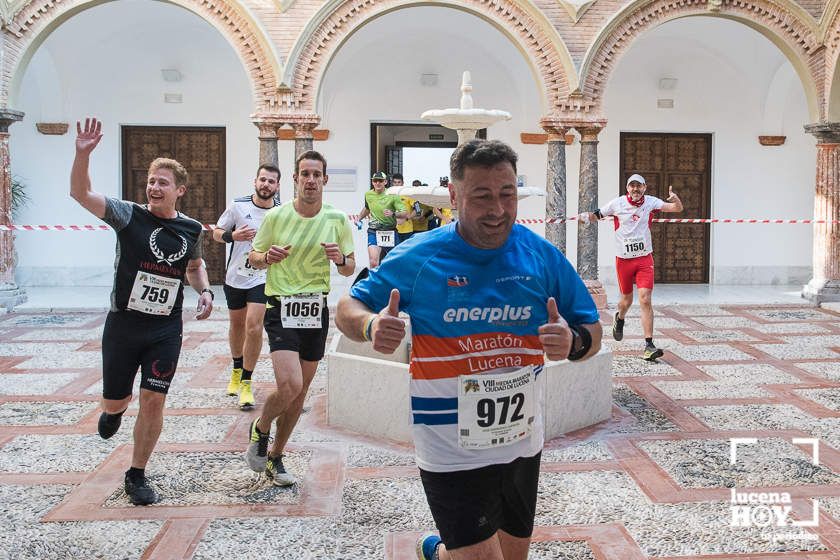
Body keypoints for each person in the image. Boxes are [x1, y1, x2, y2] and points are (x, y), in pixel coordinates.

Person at [336, 139, 602, 560]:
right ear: (455, 196)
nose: (498, 209)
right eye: (482, 197)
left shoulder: (542, 257)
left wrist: (575, 343)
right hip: (448, 445)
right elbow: (348, 306)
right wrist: (370, 326)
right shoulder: (421, 257)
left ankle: (440, 554)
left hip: (520, 440)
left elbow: (592, 329)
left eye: (507, 194)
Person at [70, 117, 213, 505]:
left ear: (179, 190)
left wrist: (203, 292)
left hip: (164, 331)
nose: (153, 187)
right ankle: (113, 410)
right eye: (151, 181)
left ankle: (136, 474)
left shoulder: (192, 229)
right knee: (117, 401)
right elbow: (81, 194)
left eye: (162, 182)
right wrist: (82, 154)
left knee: (153, 399)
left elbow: (195, 267)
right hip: (123, 326)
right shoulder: (127, 214)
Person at [244, 150, 355, 486]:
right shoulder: (277, 217)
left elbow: (350, 266)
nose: (310, 180)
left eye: (316, 175)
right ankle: (261, 427)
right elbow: (253, 258)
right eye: (304, 174)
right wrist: (267, 256)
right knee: (289, 384)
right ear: (295, 179)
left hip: (315, 308)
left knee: (300, 393)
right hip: (281, 305)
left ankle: (276, 456)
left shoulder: (337, 219)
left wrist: (339, 259)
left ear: (324, 180)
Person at [578, 173, 683, 361]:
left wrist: (676, 199)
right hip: (624, 261)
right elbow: (597, 214)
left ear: (644, 187)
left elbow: (676, 208)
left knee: (645, 299)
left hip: (644, 259)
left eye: (639, 186)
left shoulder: (650, 202)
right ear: (627, 188)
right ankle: (620, 317)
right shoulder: (617, 204)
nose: (635, 189)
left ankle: (649, 345)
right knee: (626, 300)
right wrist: (585, 217)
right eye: (632, 186)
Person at [213, 164, 281, 409]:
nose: (266, 185)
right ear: (255, 181)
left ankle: (247, 382)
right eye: (263, 180)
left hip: (262, 276)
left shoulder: (281, 211)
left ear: (277, 186)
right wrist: (233, 236)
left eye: (271, 181)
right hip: (236, 276)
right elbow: (216, 233)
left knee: (254, 327)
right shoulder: (238, 205)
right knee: (237, 325)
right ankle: (236, 368)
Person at [354, 171, 407, 267]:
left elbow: (404, 213)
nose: (377, 183)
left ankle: (392, 281)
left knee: (396, 262)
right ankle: (375, 282)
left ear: (385, 182)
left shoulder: (393, 195)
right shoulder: (368, 195)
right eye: (375, 181)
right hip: (374, 231)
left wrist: (393, 213)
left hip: (390, 231)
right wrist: (359, 218)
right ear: (372, 182)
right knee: (373, 262)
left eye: (380, 181)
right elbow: (367, 208)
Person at [393, 173, 415, 244]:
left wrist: (408, 217)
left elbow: (418, 209)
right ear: (392, 183)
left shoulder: (408, 194)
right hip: (392, 229)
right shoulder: (389, 194)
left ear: (402, 183)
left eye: (399, 182)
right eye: (395, 182)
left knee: (407, 253)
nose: (397, 184)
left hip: (407, 230)